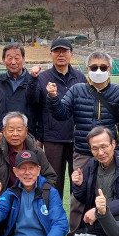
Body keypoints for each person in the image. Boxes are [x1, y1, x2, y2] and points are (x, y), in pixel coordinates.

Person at [47, 49, 119, 230]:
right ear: (87, 69)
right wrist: (54, 98)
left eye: (103, 67)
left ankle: (110, 235)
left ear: (110, 69)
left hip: (110, 154)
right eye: (94, 67)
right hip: (83, 152)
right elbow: (62, 114)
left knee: (110, 194)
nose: (98, 70)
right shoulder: (77, 90)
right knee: (78, 195)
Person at [29, 37, 86, 196]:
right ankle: (54, 212)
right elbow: (34, 104)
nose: (60, 55)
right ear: (51, 54)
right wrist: (32, 79)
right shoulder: (42, 77)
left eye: (64, 51)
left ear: (71, 54)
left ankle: (78, 213)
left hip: (77, 139)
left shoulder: (80, 78)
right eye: (57, 51)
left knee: (79, 182)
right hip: (53, 138)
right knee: (54, 183)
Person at [0, 111, 56, 196]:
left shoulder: (36, 151)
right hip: (4, 197)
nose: (15, 134)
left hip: (31, 197)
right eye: (11, 130)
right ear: (4, 131)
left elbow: (50, 176)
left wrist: (39, 194)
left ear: (26, 131)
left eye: (19, 130)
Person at [0, 43, 38, 136]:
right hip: (2, 136)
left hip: (28, 136)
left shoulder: (35, 82)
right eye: (9, 58)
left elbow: (42, 111)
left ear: (23, 59)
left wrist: (40, 137)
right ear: (3, 60)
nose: (13, 62)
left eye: (17, 58)